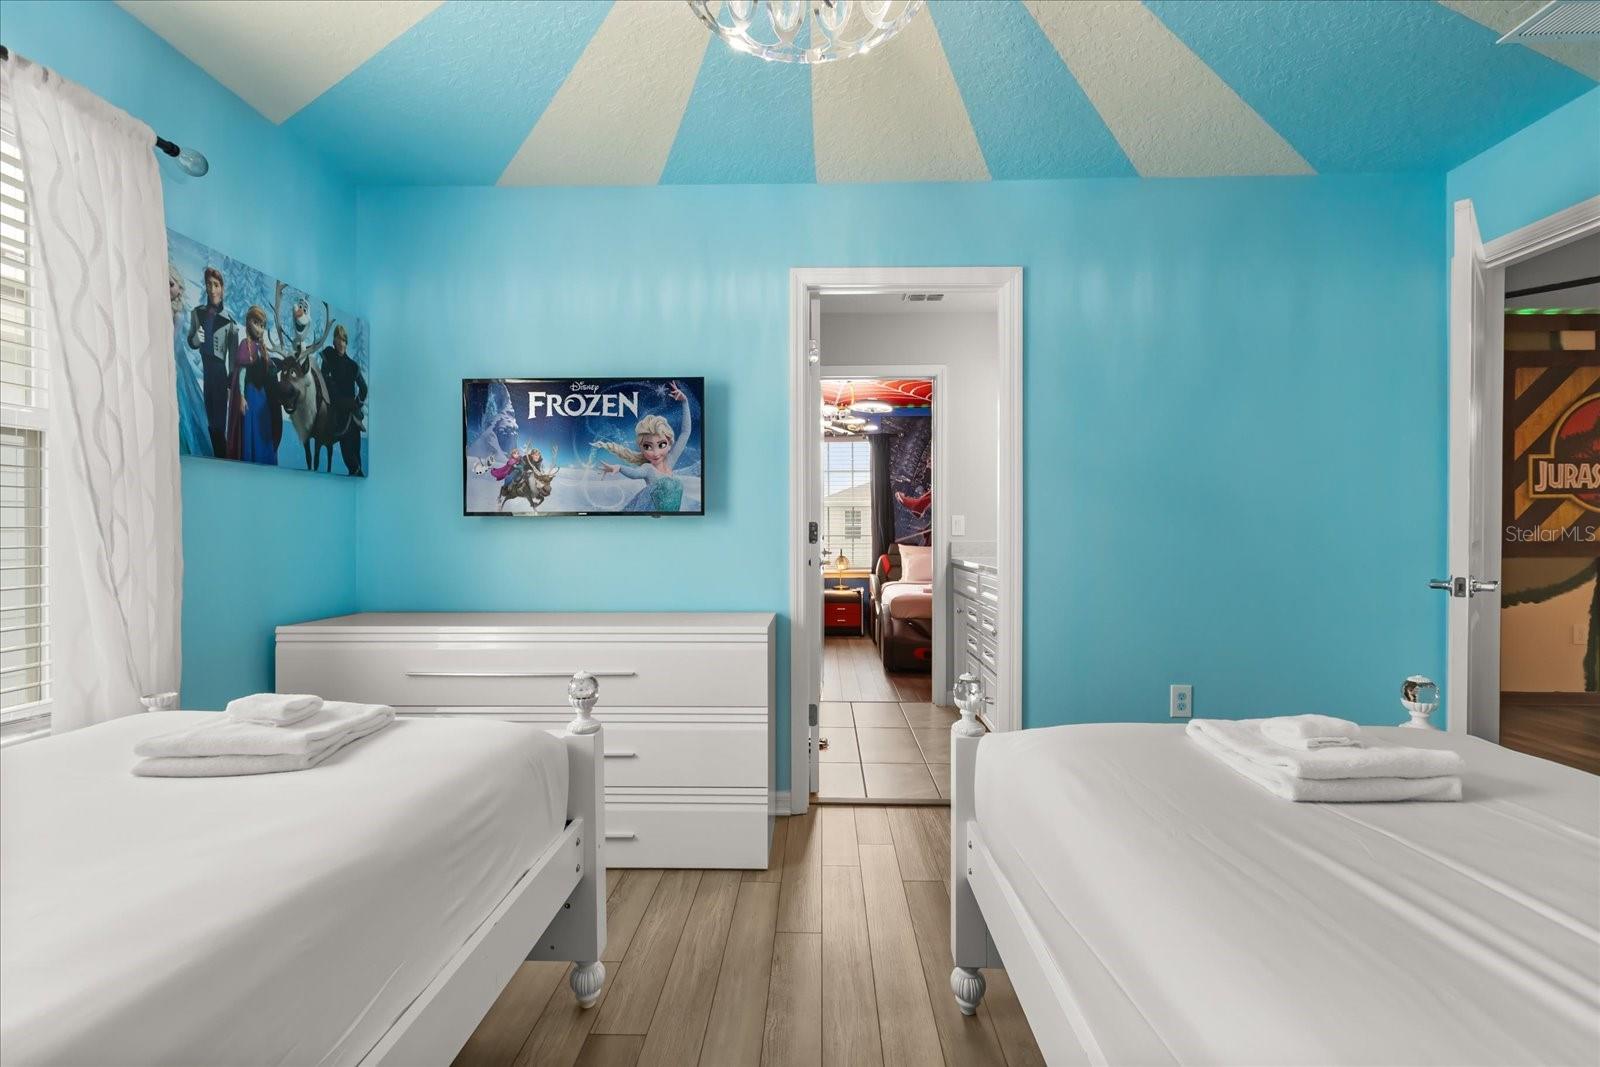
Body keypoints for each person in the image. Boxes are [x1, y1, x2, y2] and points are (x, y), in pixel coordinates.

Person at [594, 381, 692, 512]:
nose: (656, 453)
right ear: (641, 448)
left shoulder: (671, 460)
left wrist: (684, 402)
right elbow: (635, 473)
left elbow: (685, 432)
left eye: (661, 445)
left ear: (669, 443)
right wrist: (619, 468)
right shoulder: (648, 469)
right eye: (647, 447)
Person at [186, 266, 236, 458]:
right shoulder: (197, 313)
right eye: (209, 284)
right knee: (207, 419)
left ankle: (221, 458)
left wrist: (231, 385)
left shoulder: (230, 322)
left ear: (222, 288)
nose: (212, 289)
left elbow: (232, 360)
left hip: (220, 375)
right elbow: (191, 342)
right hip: (205, 373)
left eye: (216, 285)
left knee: (218, 423)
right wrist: (197, 339)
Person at [226, 306, 280, 464]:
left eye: (262, 325)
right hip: (250, 395)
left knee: (263, 430)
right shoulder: (245, 345)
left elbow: (269, 371)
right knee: (251, 431)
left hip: (262, 397)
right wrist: (242, 397)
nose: (259, 328)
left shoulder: (262, 349)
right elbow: (242, 373)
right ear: (248, 322)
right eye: (256, 323)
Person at [319, 324, 367, 476]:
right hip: (337, 414)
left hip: (352, 415)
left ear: (346, 343)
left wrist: (357, 403)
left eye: (344, 340)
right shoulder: (328, 356)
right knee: (350, 459)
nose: (341, 343)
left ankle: (359, 479)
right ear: (334, 341)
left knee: (356, 460)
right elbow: (323, 379)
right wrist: (334, 395)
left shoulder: (352, 365)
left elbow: (364, 388)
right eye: (338, 339)